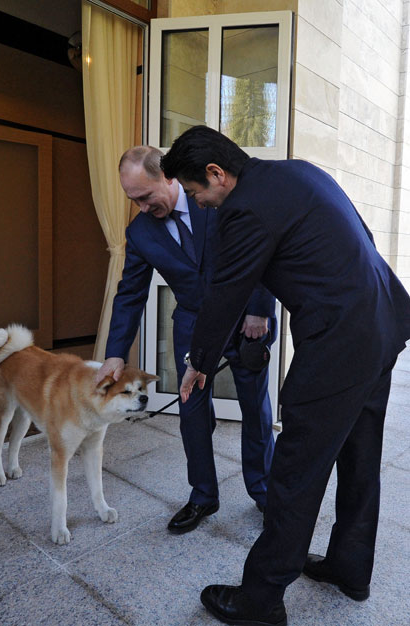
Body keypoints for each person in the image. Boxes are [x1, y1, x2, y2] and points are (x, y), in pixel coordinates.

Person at [161, 126, 410, 626]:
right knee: (360, 455)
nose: (200, 204)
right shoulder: (298, 173)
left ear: (216, 174)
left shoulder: (244, 207)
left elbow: (228, 290)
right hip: (383, 321)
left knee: (296, 468)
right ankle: (350, 566)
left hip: (341, 341)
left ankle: (260, 598)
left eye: (196, 193)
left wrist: (199, 362)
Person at [96, 145, 277, 535]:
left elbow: (260, 246)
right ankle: (202, 495)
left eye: (146, 196)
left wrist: (260, 308)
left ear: (169, 177)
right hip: (193, 327)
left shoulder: (214, 196)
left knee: (255, 409)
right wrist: (114, 354)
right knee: (192, 411)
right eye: (133, 200)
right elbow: (130, 294)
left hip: (246, 321)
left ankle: (265, 493)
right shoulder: (140, 232)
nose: (142, 207)